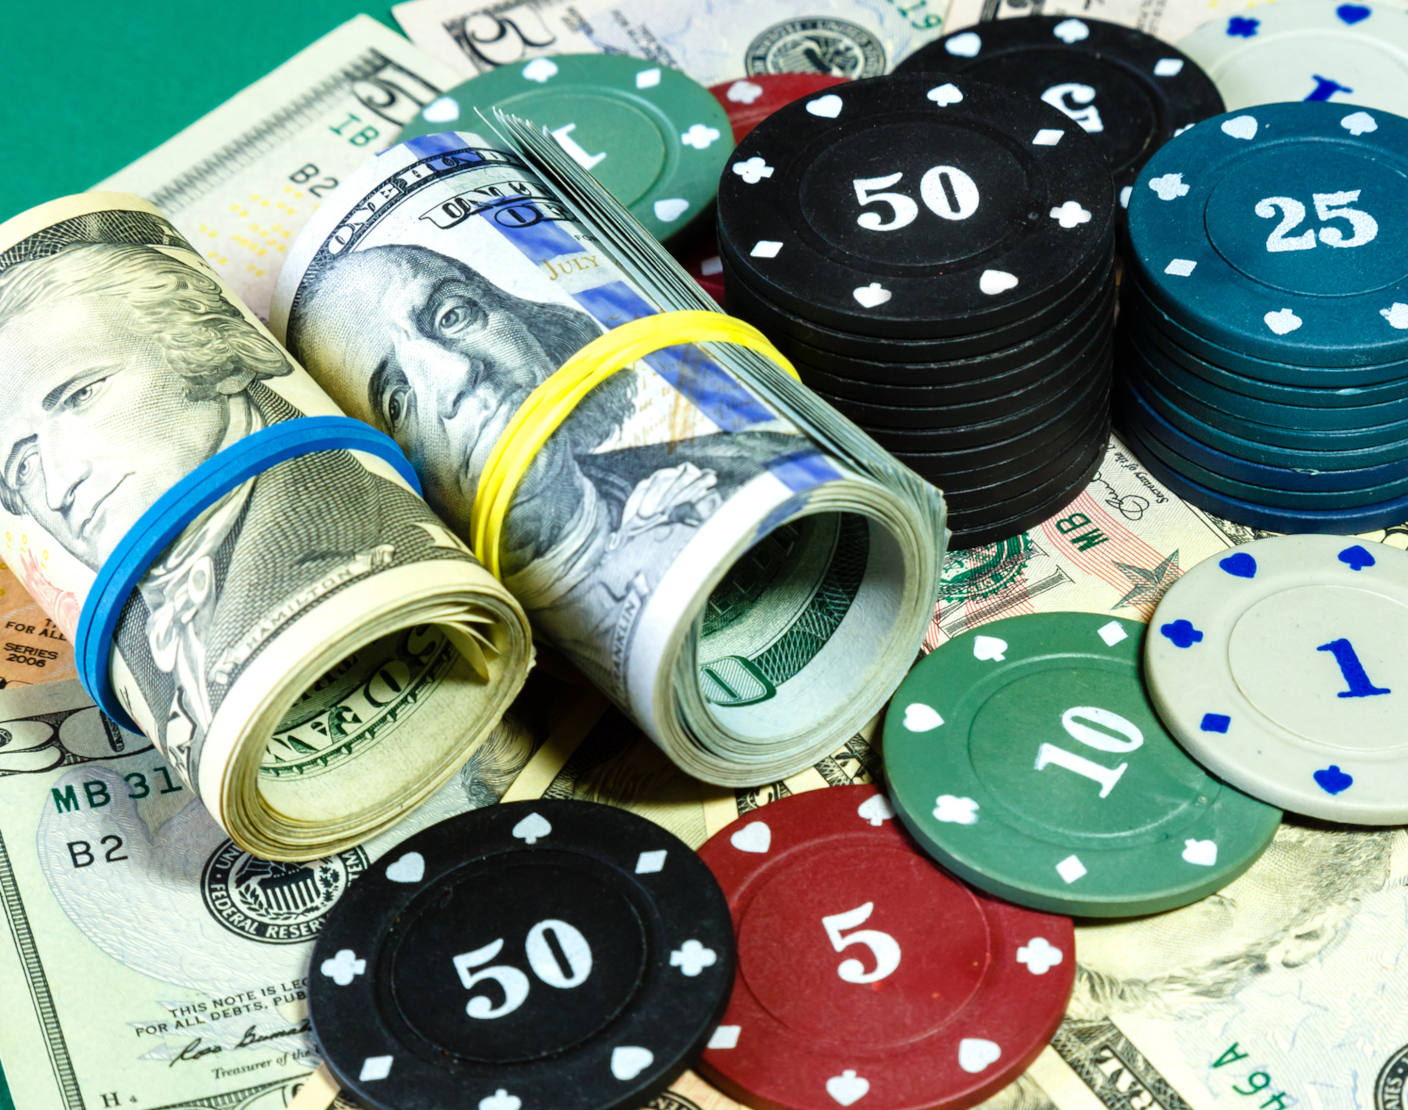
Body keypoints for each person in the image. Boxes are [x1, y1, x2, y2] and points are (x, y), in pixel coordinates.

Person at [0, 236, 449, 779]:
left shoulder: (372, 531)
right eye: (23, 466)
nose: (57, 489)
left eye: (80, 397)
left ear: (209, 352)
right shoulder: (138, 634)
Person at [288, 241, 812, 695]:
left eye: (452, 316)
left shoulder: (751, 460)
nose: (459, 373)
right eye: (397, 401)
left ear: (524, 318)